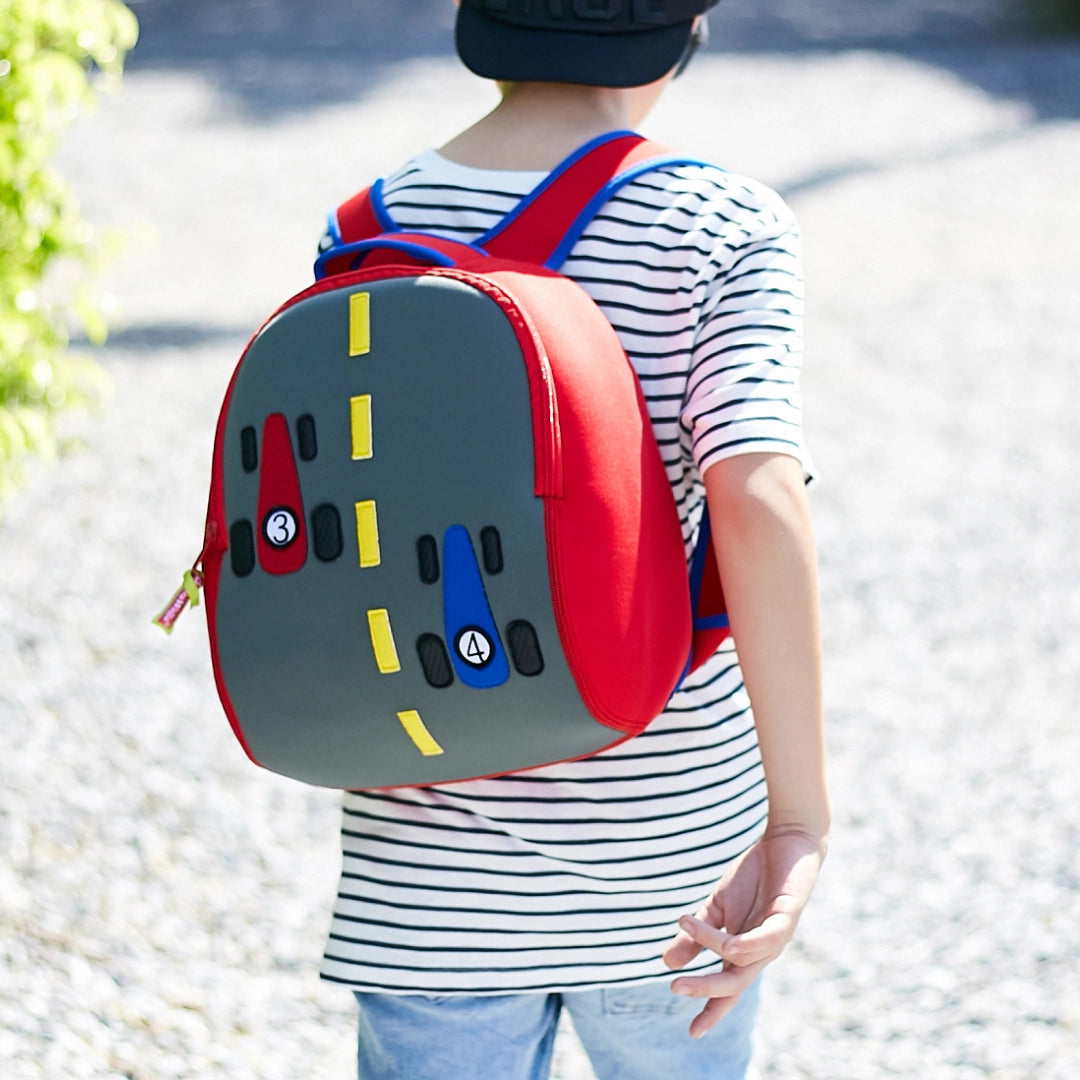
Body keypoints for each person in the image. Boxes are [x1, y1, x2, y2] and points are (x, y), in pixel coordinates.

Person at [318, 3, 830, 1077]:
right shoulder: (720, 223)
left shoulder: (365, 225)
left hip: (425, 855)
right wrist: (797, 819)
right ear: (683, 26)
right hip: (668, 859)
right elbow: (756, 495)